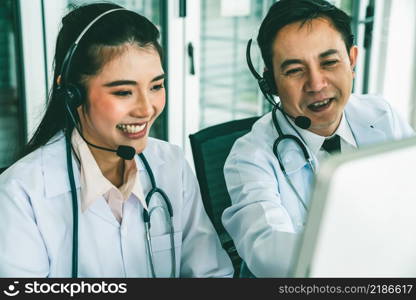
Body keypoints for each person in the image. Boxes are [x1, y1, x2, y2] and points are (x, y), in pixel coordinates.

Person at [0, 3, 233, 278]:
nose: (147, 109)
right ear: (72, 94)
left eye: (156, 86)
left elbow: (210, 275)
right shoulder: (21, 193)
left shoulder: (171, 165)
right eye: (124, 92)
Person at [222, 0, 414, 277]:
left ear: (352, 61)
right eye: (295, 70)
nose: (316, 84)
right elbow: (269, 255)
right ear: (271, 82)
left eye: (329, 62)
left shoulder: (381, 115)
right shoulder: (249, 158)